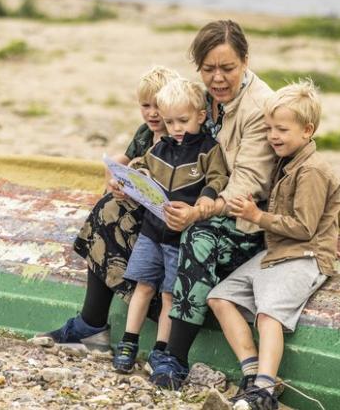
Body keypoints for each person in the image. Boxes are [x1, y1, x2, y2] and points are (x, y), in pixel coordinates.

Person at [148, 20, 279, 388]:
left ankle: (173, 354)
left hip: (245, 219)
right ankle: (96, 323)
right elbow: (161, 127)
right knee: (119, 213)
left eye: (228, 68)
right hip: (193, 196)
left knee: (200, 236)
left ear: (246, 61)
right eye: (209, 69)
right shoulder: (203, 97)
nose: (218, 78)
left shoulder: (260, 107)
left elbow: (248, 184)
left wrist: (198, 211)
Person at [207, 81, 340, 410]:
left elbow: (305, 227)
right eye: (269, 129)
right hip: (277, 253)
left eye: (281, 129)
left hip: (306, 256)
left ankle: (264, 392)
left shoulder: (311, 171)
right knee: (220, 298)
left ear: (307, 130)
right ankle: (252, 373)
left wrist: (257, 215)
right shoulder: (286, 160)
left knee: (268, 316)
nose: (273, 136)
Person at [38, 65, 178, 351]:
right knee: (106, 210)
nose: (152, 114)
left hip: (162, 220)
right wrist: (113, 179)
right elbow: (120, 160)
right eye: (145, 106)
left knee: (106, 217)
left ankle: (91, 323)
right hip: (140, 208)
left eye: (159, 107)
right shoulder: (144, 133)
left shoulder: (176, 138)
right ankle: (91, 324)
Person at [112, 78, 228, 373]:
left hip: (179, 237)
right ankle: (128, 341)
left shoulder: (208, 149)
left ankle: (161, 348)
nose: (176, 128)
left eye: (183, 121)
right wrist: (127, 180)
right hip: (152, 231)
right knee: (143, 286)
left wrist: (204, 200)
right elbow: (141, 168)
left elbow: (218, 177)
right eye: (170, 122)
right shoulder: (158, 150)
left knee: (168, 294)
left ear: (201, 116)